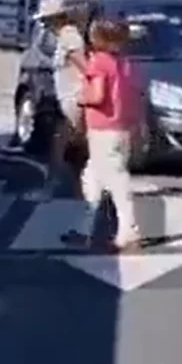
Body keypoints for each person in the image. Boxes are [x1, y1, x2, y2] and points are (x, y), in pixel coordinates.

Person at [61, 18, 142, 252]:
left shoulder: (99, 62)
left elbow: (97, 96)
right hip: (121, 127)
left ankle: (128, 230)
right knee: (92, 178)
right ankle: (85, 229)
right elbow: (134, 95)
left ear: (98, 39)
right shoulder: (125, 63)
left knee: (116, 180)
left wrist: (80, 98)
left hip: (103, 128)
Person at [33, 0, 87, 200]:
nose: (45, 25)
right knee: (72, 153)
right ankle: (78, 192)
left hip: (74, 100)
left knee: (60, 147)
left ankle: (50, 190)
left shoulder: (69, 38)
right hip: (68, 100)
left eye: (46, 21)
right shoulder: (65, 37)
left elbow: (86, 68)